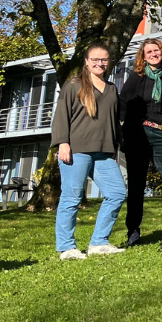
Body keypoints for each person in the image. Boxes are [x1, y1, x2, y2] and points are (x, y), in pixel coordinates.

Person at [52, 41, 127, 260]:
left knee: (117, 193)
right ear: (87, 61)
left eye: (104, 59)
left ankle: (99, 242)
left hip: (104, 152)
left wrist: (115, 147)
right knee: (72, 197)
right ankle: (66, 247)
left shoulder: (112, 88)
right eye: (95, 59)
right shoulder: (74, 85)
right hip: (76, 150)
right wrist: (62, 143)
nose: (100, 63)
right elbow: (61, 116)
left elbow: (112, 122)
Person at [118, 38, 162, 247]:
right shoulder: (136, 78)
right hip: (139, 134)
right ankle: (133, 231)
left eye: (156, 50)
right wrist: (125, 126)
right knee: (136, 184)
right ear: (143, 57)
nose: (153, 54)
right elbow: (122, 104)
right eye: (149, 52)